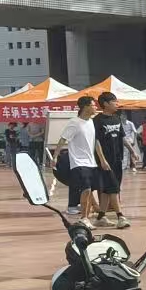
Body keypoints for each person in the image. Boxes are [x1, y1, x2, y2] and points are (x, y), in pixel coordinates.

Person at [57, 95, 102, 226]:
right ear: (86, 107)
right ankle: (84, 217)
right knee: (86, 190)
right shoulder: (74, 122)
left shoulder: (92, 122)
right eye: (93, 105)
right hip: (78, 162)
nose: (95, 107)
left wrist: (102, 160)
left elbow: (95, 142)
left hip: (91, 162)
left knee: (90, 190)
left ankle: (88, 215)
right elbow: (63, 139)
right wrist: (55, 157)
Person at [92, 92, 131, 229]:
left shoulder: (116, 118)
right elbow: (96, 141)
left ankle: (101, 217)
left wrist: (132, 151)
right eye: (114, 101)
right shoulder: (97, 120)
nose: (117, 104)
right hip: (105, 161)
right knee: (113, 188)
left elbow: (122, 137)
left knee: (108, 189)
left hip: (117, 159)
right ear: (105, 104)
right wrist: (102, 160)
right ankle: (121, 217)